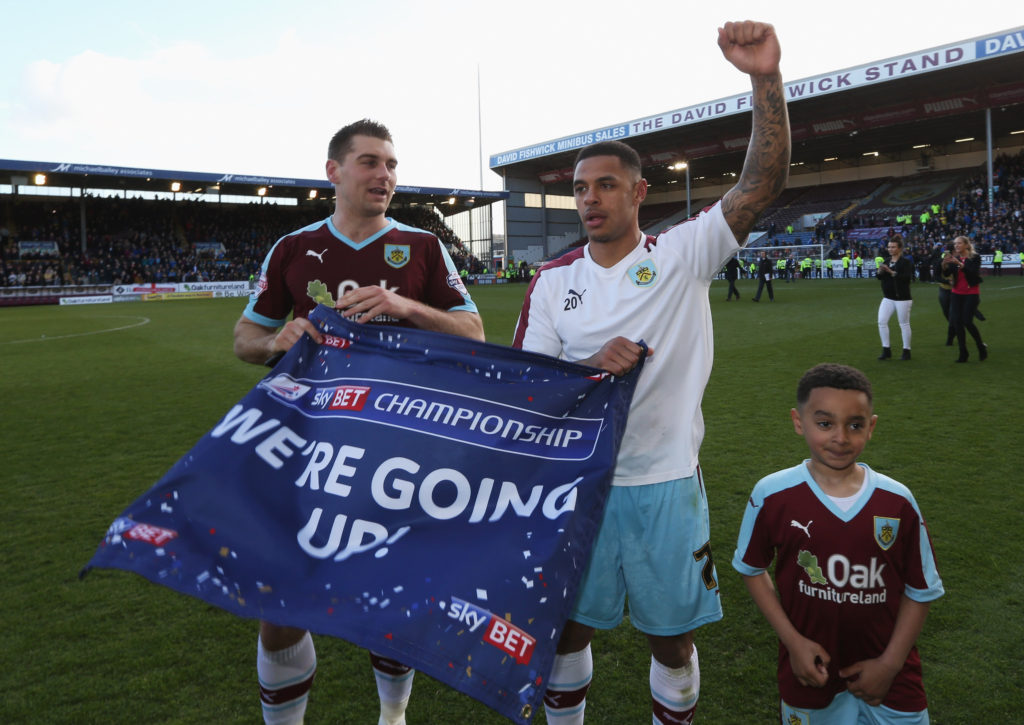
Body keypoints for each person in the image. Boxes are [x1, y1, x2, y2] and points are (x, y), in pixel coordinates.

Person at [512, 20, 790, 724]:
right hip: (580, 484)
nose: (590, 198)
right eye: (580, 188)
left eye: (607, 185)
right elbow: (527, 388)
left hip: (665, 481)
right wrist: (587, 366)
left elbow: (762, 184)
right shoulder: (550, 282)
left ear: (638, 194)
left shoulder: (680, 255)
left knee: (671, 640)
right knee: (568, 630)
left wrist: (764, 77)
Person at [233, 118, 485, 725]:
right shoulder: (292, 248)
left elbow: (475, 332)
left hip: (396, 448)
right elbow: (245, 338)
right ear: (334, 172)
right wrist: (278, 341)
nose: (386, 175)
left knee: (389, 598)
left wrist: (405, 305)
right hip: (307, 447)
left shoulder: (422, 246)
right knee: (280, 603)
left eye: (392, 164)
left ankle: (392, 717)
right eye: (371, 162)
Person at [732, 363, 944, 724]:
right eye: (825, 423)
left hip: (892, 677)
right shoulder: (772, 494)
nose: (841, 438)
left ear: (871, 426)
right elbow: (752, 569)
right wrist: (793, 643)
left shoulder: (897, 501)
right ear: (799, 422)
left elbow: (921, 589)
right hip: (810, 673)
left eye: (855, 425)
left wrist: (890, 664)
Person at [941, 235, 987, 363]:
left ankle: (980, 346)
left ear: (966, 245)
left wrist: (960, 264)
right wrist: (944, 265)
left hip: (971, 293)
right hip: (956, 293)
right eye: (955, 244)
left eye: (959, 243)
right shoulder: (954, 258)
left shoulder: (974, 257)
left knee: (967, 321)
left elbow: (972, 272)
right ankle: (963, 353)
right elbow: (946, 274)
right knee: (956, 322)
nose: (956, 246)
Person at [875, 235, 913, 361]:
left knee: (903, 324)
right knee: (881, 321)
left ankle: (906, 350)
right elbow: (879, 277)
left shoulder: (905, 262)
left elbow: (906, 278)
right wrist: (880, 271)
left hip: (903, 298)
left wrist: (891, 272)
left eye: (893, 247)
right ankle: (886, 349)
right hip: (888, 297)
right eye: (889, 247)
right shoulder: (886, 261)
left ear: (900, 248)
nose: (890, 249)